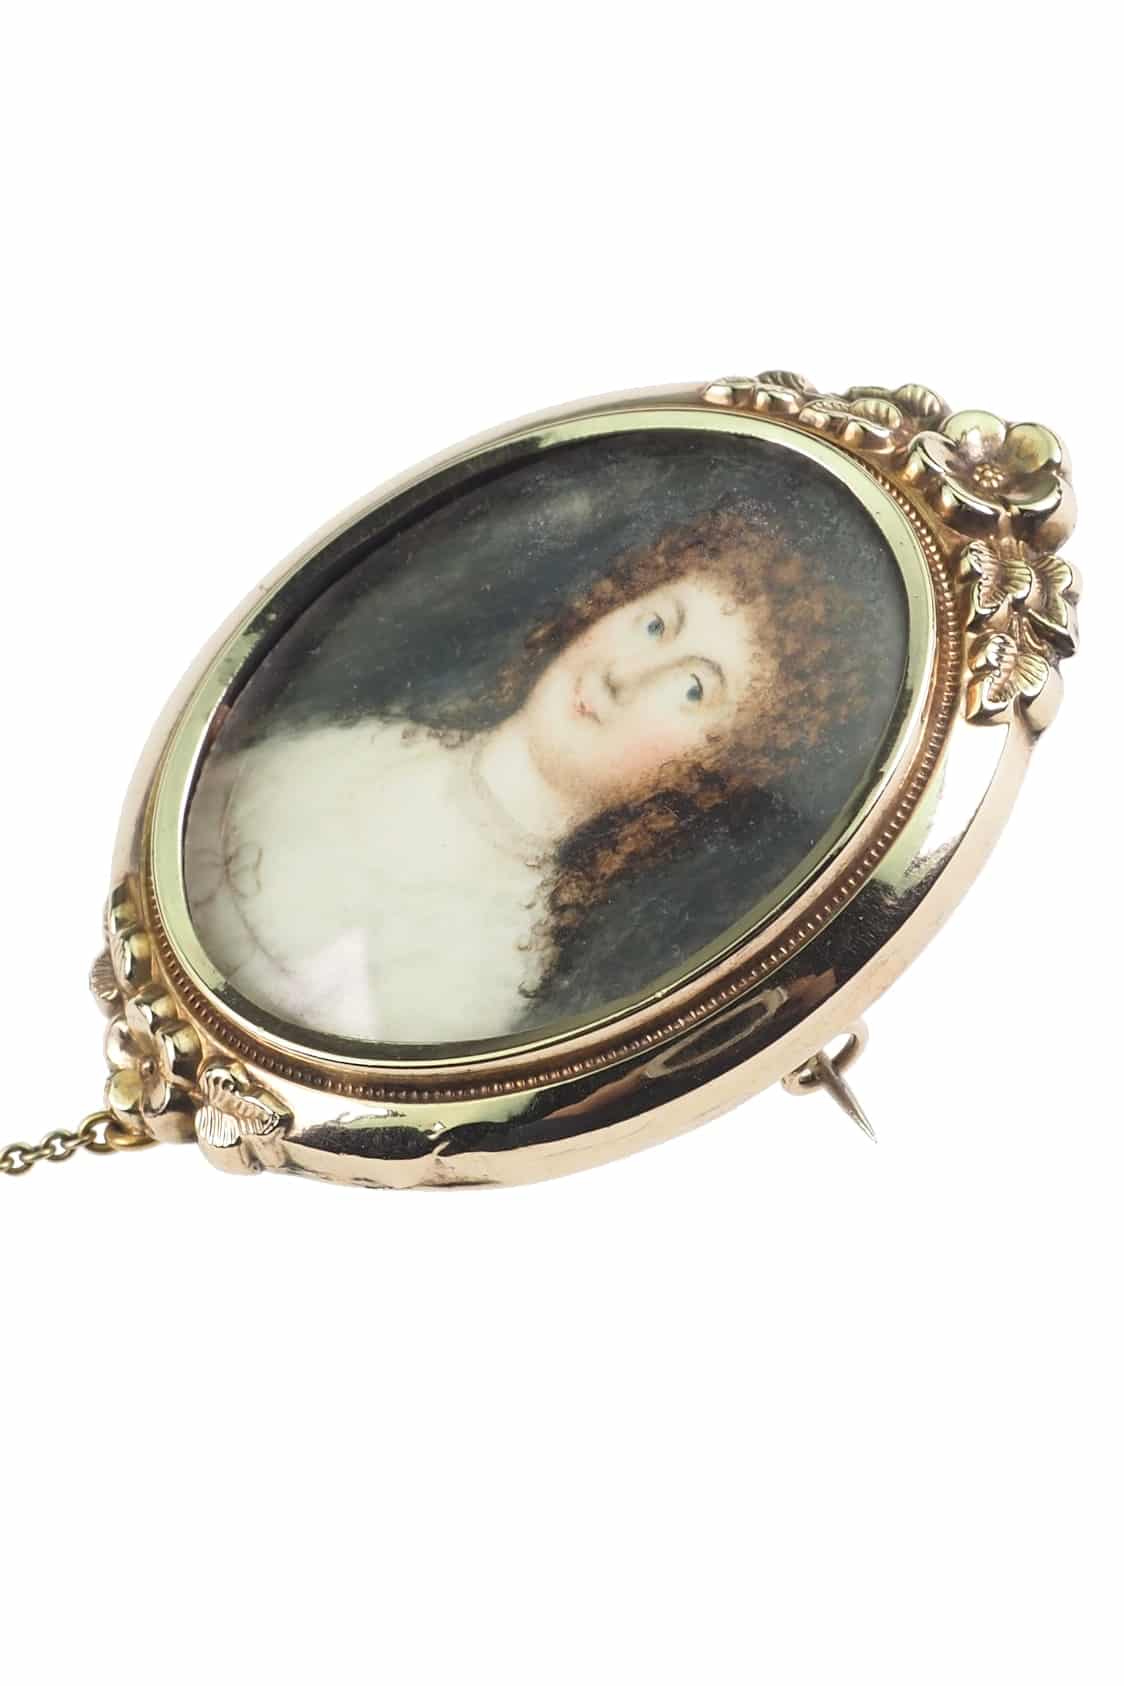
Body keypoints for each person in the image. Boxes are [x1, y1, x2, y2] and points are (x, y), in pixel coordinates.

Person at [184, 508, 863, 1044]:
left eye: (691, 689)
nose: (623, 675)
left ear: (709, 777)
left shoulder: (491, 961)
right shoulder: (360, 747)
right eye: (656, 625)